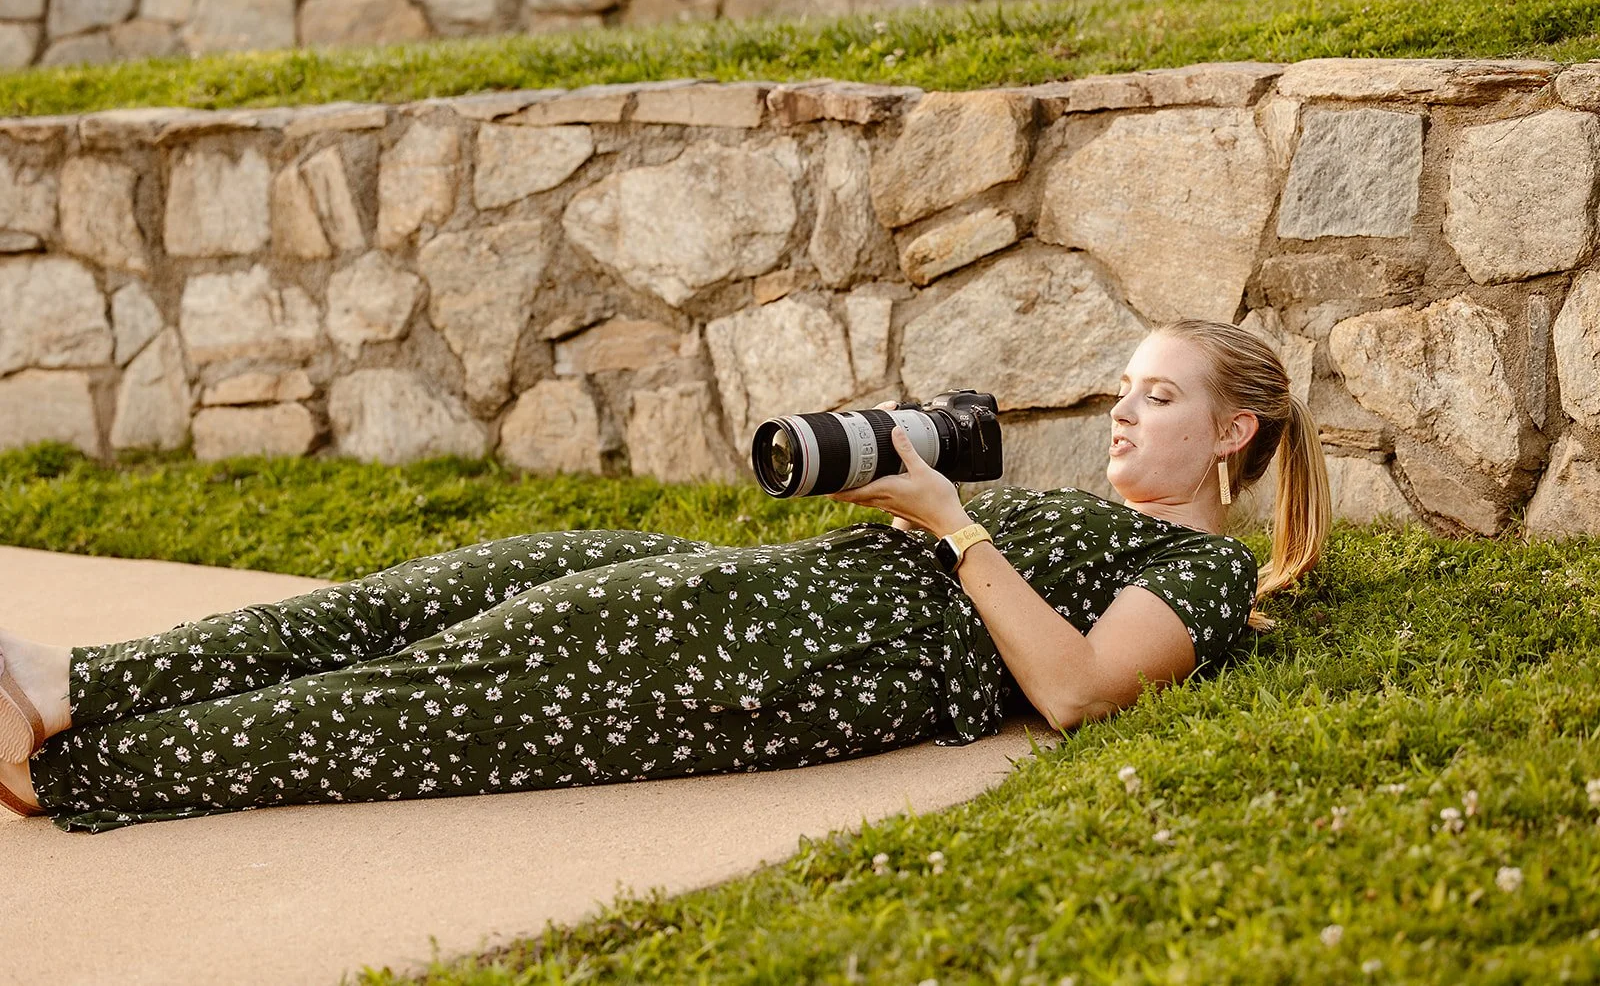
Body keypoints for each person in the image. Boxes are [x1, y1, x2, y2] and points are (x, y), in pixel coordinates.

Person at [0, 319, 1329, 831]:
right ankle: (74, 680)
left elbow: (1079, 688)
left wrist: (951, 522)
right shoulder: (1099, 509)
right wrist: (910, 484)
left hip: (781, 662)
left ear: (1232, 433)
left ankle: (67, 765)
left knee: (413, 700)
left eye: (1159, 398)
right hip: (737, 586)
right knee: (394, 605)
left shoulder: (1196, 572)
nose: (1121, 414)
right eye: (1124, 388)